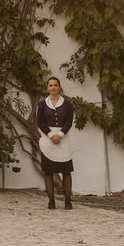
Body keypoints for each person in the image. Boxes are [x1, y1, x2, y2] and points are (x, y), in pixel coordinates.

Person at [37, 76, 75, 209]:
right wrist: (50, 135)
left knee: (66, 171)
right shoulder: (42, 104)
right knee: (48, 171)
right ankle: (51, 201)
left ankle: (68, 202)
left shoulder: (67, 104)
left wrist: (60, 135)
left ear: (59, 87)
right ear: (47, 88)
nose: (53, 87)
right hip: (48, 140)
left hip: (63, 139)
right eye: (51, 85)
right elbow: (40, 122)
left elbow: (69, 122)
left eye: (55, 85)